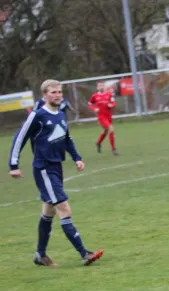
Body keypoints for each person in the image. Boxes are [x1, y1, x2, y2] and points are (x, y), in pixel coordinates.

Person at [8, 79, 104, 267]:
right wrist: (14, 165)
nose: (57, 95)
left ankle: (40, 255)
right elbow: (20, 138)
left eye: (59, 92)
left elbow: (66, 137)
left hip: (56, 167)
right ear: (44, 95)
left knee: (49, 211)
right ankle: (84, 253)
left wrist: (77, 157)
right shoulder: (37, 115)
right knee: (64, 208)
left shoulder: (60, 113)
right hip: (43, 168)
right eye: (53, 92)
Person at [88, 82, 118, 155]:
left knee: (106, 131)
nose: (101, 87)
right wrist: (94, 109)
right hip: (101, 117)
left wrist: (111, 105)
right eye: (99, 86)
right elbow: (90, 103)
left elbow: (114, 103)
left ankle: (98, 143)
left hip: (108, 116)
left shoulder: (109, 95)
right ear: (97, 88)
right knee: (111, 129)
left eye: (102, 86)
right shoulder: (95, 96)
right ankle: (114, 149)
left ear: (104, 87)